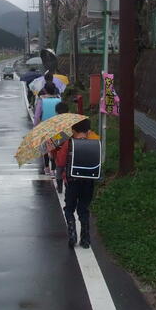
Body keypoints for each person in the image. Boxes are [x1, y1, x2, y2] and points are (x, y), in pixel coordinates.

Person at [54, 118, 100, 249]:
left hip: (72, 182)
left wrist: (57, 153)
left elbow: (61, 162)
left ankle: (72, 234)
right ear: (87, 129)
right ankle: (85, 238)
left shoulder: (69, 143)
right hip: (88, 182)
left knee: (69, 208)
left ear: (73, 130)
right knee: (83, 209)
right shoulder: (95, 141)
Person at [34, 82, 61, 175]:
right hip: (56, 127)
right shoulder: (59, 100)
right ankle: (54, 168)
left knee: (45, 147)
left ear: (45, 90)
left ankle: (46, 168)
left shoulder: (41, 100)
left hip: (44, 127)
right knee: (55, 146)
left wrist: (36, 127)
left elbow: (37, 116)